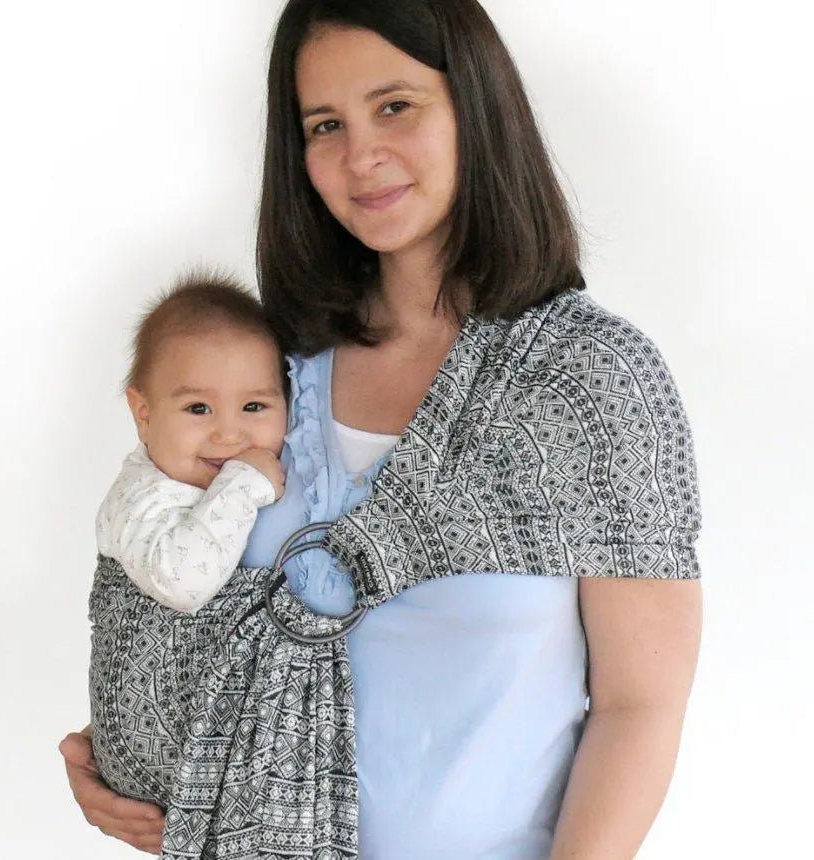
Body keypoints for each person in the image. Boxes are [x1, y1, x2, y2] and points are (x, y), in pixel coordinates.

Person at [61, 2, 702, 857]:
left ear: (474, 105)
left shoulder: (585, 383)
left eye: (395, 106)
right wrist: (124, 764)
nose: (360, 156)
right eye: (325, 125)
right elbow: (160, 596)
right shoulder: (257, 375)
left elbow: (639, 706)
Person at [95, 273, 287, 614]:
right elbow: (183, 583)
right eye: (199, 408)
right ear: (144, 416)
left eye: (253, 406)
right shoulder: (141, 500)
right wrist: (242, 486)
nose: (228, 435)